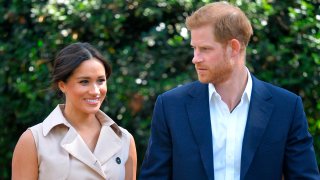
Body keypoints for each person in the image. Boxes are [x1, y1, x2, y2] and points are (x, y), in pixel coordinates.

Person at [139, 2, 319, 180]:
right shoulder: (171, 106)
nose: (195, 58)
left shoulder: (286, 107)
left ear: (234, 48)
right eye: (194, 48)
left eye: (205, 49)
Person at [12, 42, 137, 180]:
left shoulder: (124, 139)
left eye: (101, 81)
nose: (95, 91)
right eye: (84, 82)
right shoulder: (33, 140)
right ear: (62, 85)